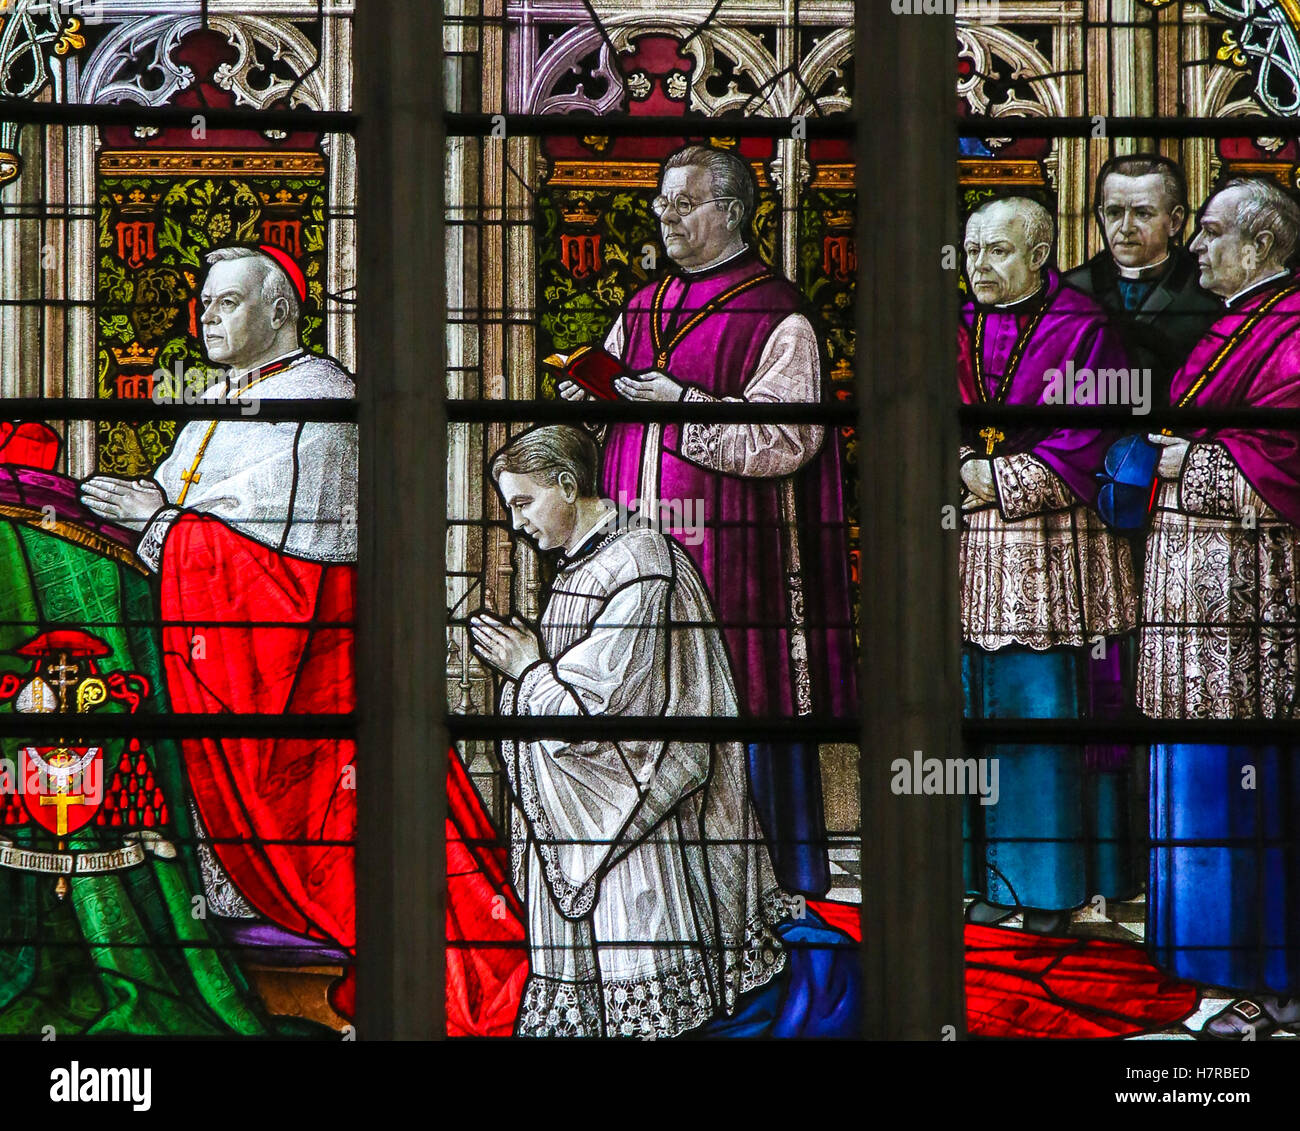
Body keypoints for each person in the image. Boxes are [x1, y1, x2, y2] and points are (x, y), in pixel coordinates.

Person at [468, 425, 859, 1039]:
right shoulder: (592, 562)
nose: (516, 524)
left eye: (522, 503)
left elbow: (606, 721)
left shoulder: (638, 563)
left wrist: (527, 671)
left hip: (650, 818)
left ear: (568, 486)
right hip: (616, 808)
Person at [559, 144, 856, 896]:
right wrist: (591, 404)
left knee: (730, 690)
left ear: (730, 211)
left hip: (732, 546)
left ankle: (754, 881)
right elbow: (619, 390)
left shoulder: (777, 312)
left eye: (683, 203)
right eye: (662, 202)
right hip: (637, 538)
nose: (665, 216)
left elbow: (790, 437)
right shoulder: (645, 303)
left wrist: (684, 405)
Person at [79, 244, 358, 1015]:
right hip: (205, 659)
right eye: (203, 302)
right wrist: (131, 508)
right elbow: (186, 507)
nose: (205, 314)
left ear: (279, 311)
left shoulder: (325, 404)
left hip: (294, 684)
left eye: (226, 302)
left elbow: (290, 580)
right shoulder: (220, 399)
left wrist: (163, 525)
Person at [1136, 178, 1300, 1039]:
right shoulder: (1238, 323)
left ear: (1263, 242)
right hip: (1197, 613)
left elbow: (1286, 464)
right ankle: (1219, 971)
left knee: (1250, 786)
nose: (1194, 248)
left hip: (1249, 615)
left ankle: (1268, 984)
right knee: (1206, 782)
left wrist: (1183, 468)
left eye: (1208, 233)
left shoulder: (1293, 329)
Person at [959, 196, 1138, 935]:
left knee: (1043, 711)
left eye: (996, 251)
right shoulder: (955, 326)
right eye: (970, 252)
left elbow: (1093, 435)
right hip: (972, 551)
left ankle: (1054, 885)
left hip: (1057, 550)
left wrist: (989, 479)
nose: (979, 267)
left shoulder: (1084, 329)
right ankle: (990, 876)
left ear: (1039, 255)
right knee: (980, 714)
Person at [1064, 154, 1220, 402]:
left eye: (1143, 213)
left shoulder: (1206, 290)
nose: (1126, 227)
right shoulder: (1071, 291)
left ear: (1175, 221)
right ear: (1102, 216)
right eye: (1115, 212)